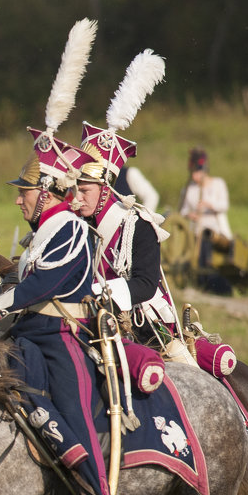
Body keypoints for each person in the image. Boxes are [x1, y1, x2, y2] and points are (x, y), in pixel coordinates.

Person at [0, 130, 112, 495]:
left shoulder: (69, 228)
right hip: (29, 336)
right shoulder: (42, 233)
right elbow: (20, 282)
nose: (18, 199)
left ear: (46, 192)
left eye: (24, 191)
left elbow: (42, 285)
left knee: (73, 411)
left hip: (62, 337)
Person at [72, 51, 176, 349]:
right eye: (76, 188)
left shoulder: (137, 225)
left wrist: (96, 293)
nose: (77, 198)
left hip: (140, 323)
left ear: (105, 191)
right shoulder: (76, 223)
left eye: (85, 190)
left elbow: (144, 284)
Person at [179, 147, 233, 269]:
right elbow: (182, 210)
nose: (194, 176)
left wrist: (209, 204)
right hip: (195, 230)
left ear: (203, 171)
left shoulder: (218, 183)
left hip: (214, 230)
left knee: (207, 245)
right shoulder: (189, 189)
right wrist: (189, 214)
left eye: (196, 173)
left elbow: (224, 206)